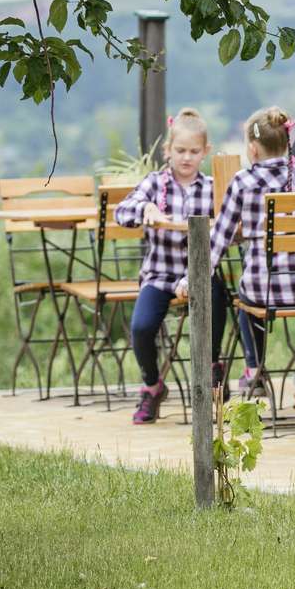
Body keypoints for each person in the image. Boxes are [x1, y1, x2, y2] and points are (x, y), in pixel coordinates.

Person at [209, 106, 295, 415]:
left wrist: (198, 273)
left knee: (246, 303)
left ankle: (254, 369)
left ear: (252, 148)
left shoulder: (242, 181)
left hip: (263, 290)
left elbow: (219, 236)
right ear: (288, 142)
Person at [115, 107, 227, 424]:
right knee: (141, 327)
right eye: (180, 150)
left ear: (205, 152)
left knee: (217, 295)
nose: (186, 158)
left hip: (198, 275)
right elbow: (121, 213)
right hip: (161, 275)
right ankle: (152, 385)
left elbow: (230, 228)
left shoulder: (211, 188)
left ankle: (212, 367)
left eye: (193, 151)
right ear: (168, 151)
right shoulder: (154, 184)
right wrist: (145, 208)